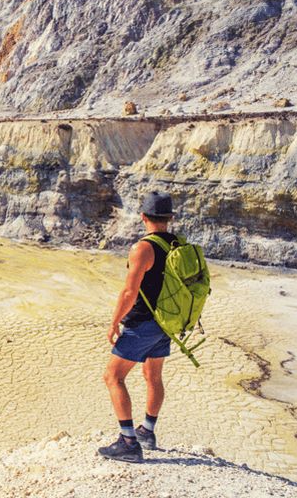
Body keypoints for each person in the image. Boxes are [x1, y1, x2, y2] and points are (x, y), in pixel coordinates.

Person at [98, 191, 177, 463]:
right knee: (152, 375)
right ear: (170, 218)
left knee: (113, 377)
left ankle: (128, 442)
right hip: (167, 322)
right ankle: (148, 432)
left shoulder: (143, 248)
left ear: (143, 216)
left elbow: (129, 293)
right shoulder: (178, 244)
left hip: (143, 323)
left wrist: (114, 323)